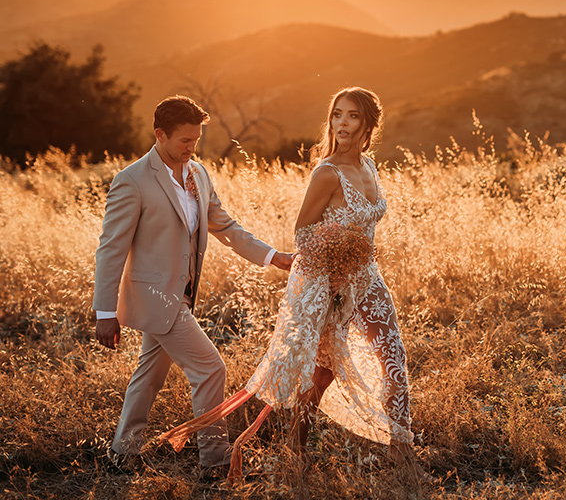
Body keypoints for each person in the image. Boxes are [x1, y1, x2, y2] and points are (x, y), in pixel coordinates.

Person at [158, 87, 428, 481]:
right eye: (337, 114)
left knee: (394, 358)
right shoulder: (326, 172)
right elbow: (302, 233)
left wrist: (357, 252)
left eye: (352, 116)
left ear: (369, 123)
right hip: (326, 280)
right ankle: (296, 448)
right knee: (321, 372)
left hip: (367, 280)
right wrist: (338, 252)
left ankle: (403, 453)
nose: (342, 123)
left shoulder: (369, 166)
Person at [92, 95, 294, 476]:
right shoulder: (131, 180)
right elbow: (111, 248)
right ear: (160, 135)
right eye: (184, 140)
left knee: (148, 375)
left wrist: (273, 257)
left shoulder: (198, 174)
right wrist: (105, 311)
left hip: (181, 296)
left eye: (196, 140)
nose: (191, 148)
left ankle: (123, 452)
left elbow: (226, 227)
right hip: (154, 297)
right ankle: (215, 461)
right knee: (211, 369)